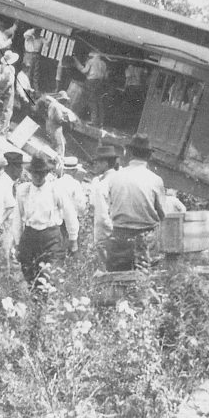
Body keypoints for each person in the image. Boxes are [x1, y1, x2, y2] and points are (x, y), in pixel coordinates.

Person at [13, 154, 80, 287]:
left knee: (51, 274)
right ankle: (35, 302)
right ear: (30, 173)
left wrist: (73, 239)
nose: (37, 177)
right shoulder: (23, 190)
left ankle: (48, 303)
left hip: (51, 236)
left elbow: (69, 214)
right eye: (35, 173)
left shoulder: (55, 190)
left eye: (41, 173)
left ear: (46, 173)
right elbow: (17, 218)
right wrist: (17, 241)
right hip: (30, 236)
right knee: (29, 272)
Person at [106, 134, 166, 271]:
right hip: (146, 237)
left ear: (130, 153)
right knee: (147, 281)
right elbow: (163, 213)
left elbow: (110, 205)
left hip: (119, 236)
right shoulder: (155, 180)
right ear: (149, 156)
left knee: (117, 280)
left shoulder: (115, 177)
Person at [89, 145, 120, 263]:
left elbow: (101, 217)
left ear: (105, 163)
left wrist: (110, 231)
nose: (95, 164)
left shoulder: (101, 185)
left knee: (107, 269)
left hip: (106, 235)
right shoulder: (121, 180)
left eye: (97, 162)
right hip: (122, 232)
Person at [74, 49, 108, 125]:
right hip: (99, 82)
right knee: (98, 101)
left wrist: (77, 65)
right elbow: (105, 76)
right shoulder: (103, 63)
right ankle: (99, 121)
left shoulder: (91, 62)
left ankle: (89, 119)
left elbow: (84, 71)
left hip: (90, 81)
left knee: (88, 100)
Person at [0, 50, 19, 133]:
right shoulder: (11, 68)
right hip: (8, 91)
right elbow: (10, 82)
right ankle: (3, 129)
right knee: (7, 109)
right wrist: (3, 91)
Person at [44, 91, 75, 158]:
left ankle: (50, 159)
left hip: (50, 127)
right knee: (60, 146)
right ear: (62, 99)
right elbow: (59, 119)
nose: (65, 102)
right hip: (56, 128)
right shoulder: (57, 106)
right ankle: (58, 161)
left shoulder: (52, 104)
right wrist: (66, 119)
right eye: (64, 100)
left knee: (55, 144)